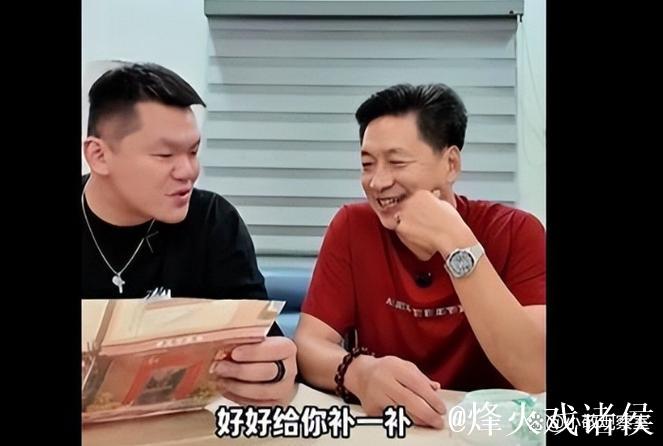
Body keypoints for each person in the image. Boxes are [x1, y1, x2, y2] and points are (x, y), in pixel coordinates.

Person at [294, 83, 545, 428]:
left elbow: (537, 373)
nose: (377, 182)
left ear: (451, 164)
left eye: (396, 162)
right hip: (389, 427)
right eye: (367, 164)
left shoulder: (516, 231)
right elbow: (309, 344)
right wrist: (360, 373)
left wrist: (454, 240)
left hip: (485, 429)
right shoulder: (353, 227)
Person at [81, 62, 296, 405]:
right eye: (165, 154)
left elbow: (263, 343)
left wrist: (277, 370)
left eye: (193, 151)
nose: (189, 171)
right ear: (99, 155)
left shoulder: (214, 221)